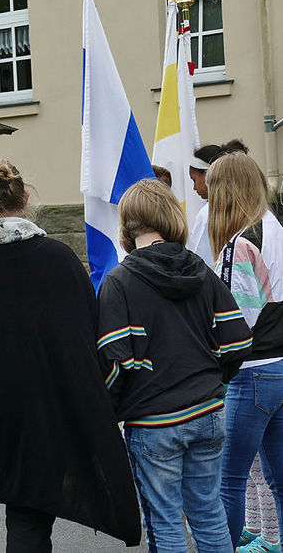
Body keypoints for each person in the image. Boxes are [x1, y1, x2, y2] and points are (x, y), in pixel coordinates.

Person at [0, 160, 140, 551]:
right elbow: (86, 343)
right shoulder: (61, 262)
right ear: (24, 198)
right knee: (31, 517)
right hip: (40, 415)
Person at [98, 178, 253, 552]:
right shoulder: (199, 269)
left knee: (165, 524)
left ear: (127, 223)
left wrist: (111, 409)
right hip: (209, 410)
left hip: (155, 421)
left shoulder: (119, 281)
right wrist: (213, 377)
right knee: (209, 514)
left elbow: (116, 363)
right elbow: (239, 341)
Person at [207, 152, 283, 551]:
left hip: (251, 373)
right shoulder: (276, 228)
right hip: (280, 369)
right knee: (278, 480)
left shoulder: (241, 243)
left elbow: (236, 323)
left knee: (229, 480)